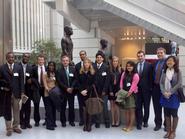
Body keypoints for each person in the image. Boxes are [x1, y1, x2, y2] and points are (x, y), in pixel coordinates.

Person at [0, 52, 24, 136]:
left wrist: (22, 92)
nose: (11, 59)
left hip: (16, 93)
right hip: (6, 94)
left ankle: (16, 126)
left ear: (14, 58)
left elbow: (21, 80)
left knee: (16, 111)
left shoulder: (18, 67)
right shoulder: (2, 68)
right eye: (9, 57)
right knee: (7, 111)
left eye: (13, 57)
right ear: (6, 58)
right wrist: (3, 88)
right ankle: (9, 128)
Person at [160, 56, 182, 139]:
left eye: (171, 61)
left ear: (174, 62)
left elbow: (179, 83)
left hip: (174, 96)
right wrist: (164, 92)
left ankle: (173, 132)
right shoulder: (164, 71)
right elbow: (161, 83)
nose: (169, 62)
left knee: (174, 114)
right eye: (168, 61)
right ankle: (168, 131)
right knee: (166, 114)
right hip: (164, 95)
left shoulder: (178, 71)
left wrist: (170, 92)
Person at [56, 55, 76, 127]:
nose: (65, 62)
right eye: (64, 61)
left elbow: (75, 79)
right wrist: (66, 88)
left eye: (66, 60)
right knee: (63, 107)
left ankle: (71, 121)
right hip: (63, 92)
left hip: (71, 92)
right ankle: (63, 121)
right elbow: (59, 81)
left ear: (69, 61)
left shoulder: (73, 69)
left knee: (71, 107)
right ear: (62, 61)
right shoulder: (58, 70)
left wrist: (72, 87)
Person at [76, 58, 96, 132]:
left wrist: (87, 90)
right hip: (82, 94)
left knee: (89, 109)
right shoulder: (80, 72)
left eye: (88, 63)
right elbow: (78, 82)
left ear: (90, 64)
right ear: (83, 64)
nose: (86, 64)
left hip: (90, 93)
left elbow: (94, 83)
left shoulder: (93, 72)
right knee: (84, 109)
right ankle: (85, 124)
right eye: (85, 63)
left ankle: (89, 124)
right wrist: (81, 91)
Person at [120, 61, 139, 132]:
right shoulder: (124, 73)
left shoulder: (136, 75)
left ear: (133, 67)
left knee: (131, 111)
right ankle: (127, 125)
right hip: (124, 93)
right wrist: (122, 92)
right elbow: (121, 82)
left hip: (132, 95)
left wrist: (128, 94)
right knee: (126, 111)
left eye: (130, 66)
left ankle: (130, 126)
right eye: (127, 66)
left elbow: (133, 86)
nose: (129, 67)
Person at [135, 50, 152, 130]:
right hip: (137, 91)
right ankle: (139, 122)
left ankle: (145, 121)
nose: (140, 57)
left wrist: (150, 89)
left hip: (147, 91)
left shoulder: (149, 65)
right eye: (138, 56)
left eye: (141, 56)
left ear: (144, 56)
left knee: (146, 107)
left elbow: (151, 77)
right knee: (138, 107)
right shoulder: (135, 65)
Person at [94, 51, 110, 128]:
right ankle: (97, 122)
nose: (99, 58)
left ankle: (107, 122)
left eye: (100, 57)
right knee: (97, 107)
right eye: (97, 57)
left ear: (103, 59)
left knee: (105, 108)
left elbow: (107, 81)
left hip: (104, 92)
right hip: (95, 91)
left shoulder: (106, 67)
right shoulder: (93, 66)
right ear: (96, 58)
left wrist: (104, 90)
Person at [152, 47, 166, 131]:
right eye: (158, 53)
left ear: (164, 53)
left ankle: (166, 124)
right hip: (156, 88)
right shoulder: (155, 63)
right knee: (157, 107)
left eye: (161, 53)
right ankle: (158, 124)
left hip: (165, 88)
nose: (159, 54)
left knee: (166, 107)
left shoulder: (168, 62)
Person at [31, 54, 46, 127]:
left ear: (44, 60)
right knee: (36, 105)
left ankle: (47, 120)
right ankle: (37, 121)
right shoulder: (34, 68)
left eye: (42, 60)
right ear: (37, 60)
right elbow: (32, 77)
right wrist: (36, 82)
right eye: (39, 60)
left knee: (47, 105)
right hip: (37, 89)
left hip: (45, 89)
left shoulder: (47, 68)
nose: (41, 61)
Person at [19, 53, 33, 129]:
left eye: (27, 57)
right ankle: (22, 123)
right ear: (22, 57)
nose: (26, 58)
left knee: (28, 107)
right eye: (25, 56)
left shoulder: (30, 67)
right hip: (20, 90)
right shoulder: (17, 66)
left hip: (28, 90)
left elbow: (34, 77)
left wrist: (32, 80)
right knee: (21, 107)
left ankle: (27, 122)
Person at [43, 61, 57, 130]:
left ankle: (53, 122)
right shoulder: (45, 74)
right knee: (49, 110)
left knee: (53, 109)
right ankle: (49, 125)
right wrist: (48, 89)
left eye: (52, 65)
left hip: (54, 94)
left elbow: (57, 83)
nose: (51, 67)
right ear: (48, 66)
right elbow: (45, 84)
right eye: (50, 65)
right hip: (47, 94)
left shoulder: (55, 73)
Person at [109, 56, 122, 127]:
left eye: (116, 61)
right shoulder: (109, 70)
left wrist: (118, 91)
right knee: (112, 106)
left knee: (117, 106)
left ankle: (118, 121)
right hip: (111, 90)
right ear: (112, 62)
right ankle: (113, 121)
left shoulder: (121, 70)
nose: (115, 62)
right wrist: (110, 91)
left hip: (118, 90)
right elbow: (108, 81)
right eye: (114, 61)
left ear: (118, 62)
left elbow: (121, 82)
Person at [75, 50, 87, 126]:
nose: (82, 56)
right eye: (80, 54)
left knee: (88, 106)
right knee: (81, 106)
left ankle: (89, 120)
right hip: (80, 90)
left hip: (88, 90)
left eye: (83, 54)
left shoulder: (91, 64)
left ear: (86, 55)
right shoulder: (77, 66)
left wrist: (86, 90)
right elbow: (76, 79)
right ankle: (82, 120)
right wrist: (81, 90)